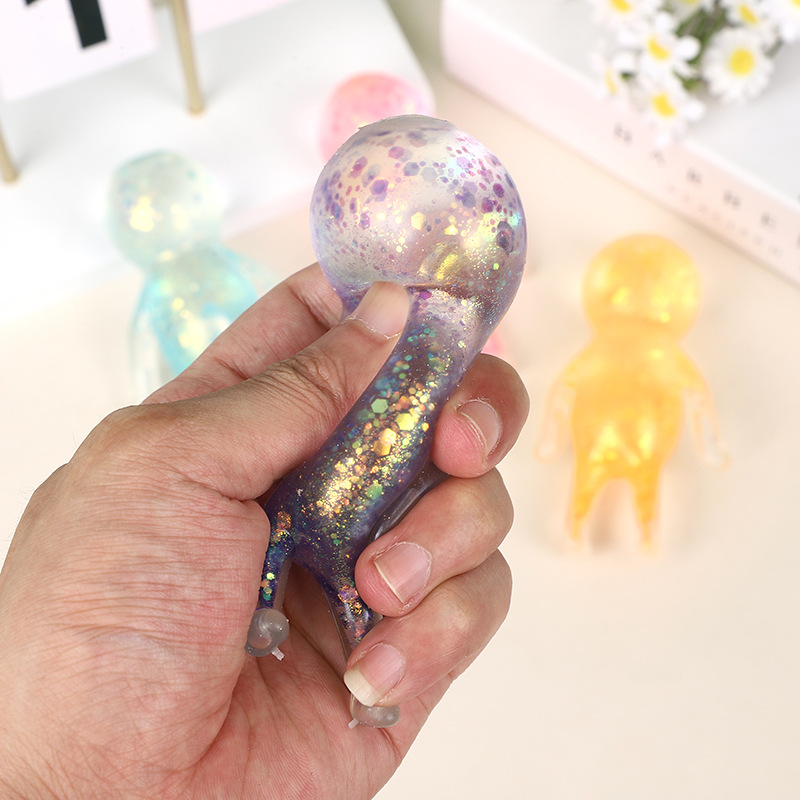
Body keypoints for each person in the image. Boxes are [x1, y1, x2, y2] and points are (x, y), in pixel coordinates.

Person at [0, 265, 528, 799]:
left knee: (358, 598)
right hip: (294, 511)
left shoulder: (436, 354)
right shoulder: (374, 335)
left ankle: (363, 679)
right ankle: (304, 635)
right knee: (315, 566)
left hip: (348, 541)